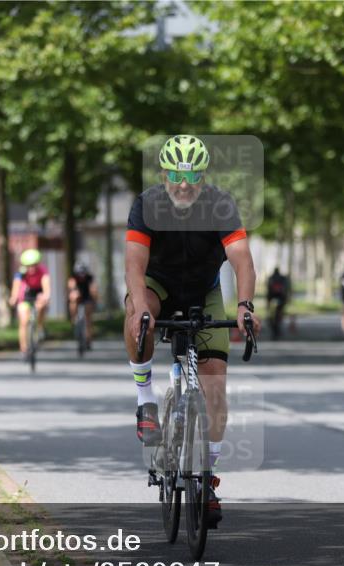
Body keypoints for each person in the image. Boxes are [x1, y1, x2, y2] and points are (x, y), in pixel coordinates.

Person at [124, 134, 261, 528]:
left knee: (215, 382)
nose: (183, 184)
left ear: (204, 176)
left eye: (193, 176)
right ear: (163, 174)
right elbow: (134, 265)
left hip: (204, 292)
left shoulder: (220, 204)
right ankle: (146, 400)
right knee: (139, 314)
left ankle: (207, 479)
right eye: (175, 175)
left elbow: (242, 260)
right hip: (158, 286)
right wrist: (140, 308)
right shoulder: (146, 205)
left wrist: (245, 306)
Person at [9, 248, 51, 358]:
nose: (31, 268)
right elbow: (16, 285)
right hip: (25, 295)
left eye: (34, 265)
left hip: (38, 293)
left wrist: (46, 295)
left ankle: (40, 327)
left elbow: (46, 284)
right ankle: (24, 348)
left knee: (41, 305)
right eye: (28, 266)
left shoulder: (42, 271)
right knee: (23, 321)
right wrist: (13, 297)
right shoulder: (21, 272)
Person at [68, 260, 99, 348]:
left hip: (87, 297)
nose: (81, 275)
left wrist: (94, 298)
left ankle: (88, 339)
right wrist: (74, 291)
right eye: (79, 273)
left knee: (88, 319)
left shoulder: (90, 278)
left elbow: (94, 289)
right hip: (78, 297)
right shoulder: (73, 278)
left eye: (83, 273)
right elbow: (71, 287)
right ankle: (74, 318)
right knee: (73, 298)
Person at [265, 267, 290, 341]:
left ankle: (275, 331)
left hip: (273, 299)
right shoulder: (283, 278)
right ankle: (277, 331)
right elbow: (286, 289)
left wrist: (268, 302)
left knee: (272, 317)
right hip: (281, 299)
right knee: (278, 316)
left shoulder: (271, 278)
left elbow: (268, 290)